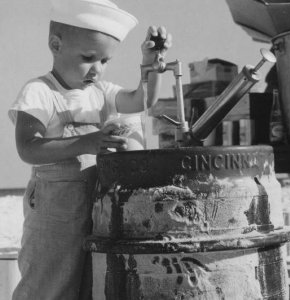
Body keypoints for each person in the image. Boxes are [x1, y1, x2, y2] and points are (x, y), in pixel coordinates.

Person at [8, 0, 172, 299]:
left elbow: (141, 101)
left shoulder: (101, 92)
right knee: (49, 281)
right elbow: (28, 148)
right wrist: (86, 142)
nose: (97, 70)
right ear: (55, 45)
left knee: (87, 283)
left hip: (95, 207)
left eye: (105, 61)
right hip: (53, 211)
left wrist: (151, 65)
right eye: (88, 58)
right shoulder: (40, 91)